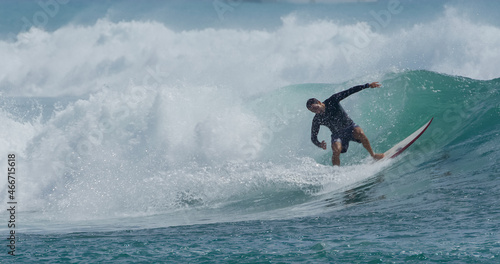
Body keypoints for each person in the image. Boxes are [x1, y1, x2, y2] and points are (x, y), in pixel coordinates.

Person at [306, 82, 385, 166]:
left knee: (360, 133)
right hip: (337, 134)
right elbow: (313, 137)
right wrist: (319, 144)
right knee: (336, 150)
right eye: (313, 111)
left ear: (319, 102)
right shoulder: (317, 119)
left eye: (316, 108)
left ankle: (373, 155)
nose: (317, 112)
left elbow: (350, 91)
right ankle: (336, 172)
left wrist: (367, 85)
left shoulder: (332, 100)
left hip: (350, 127)